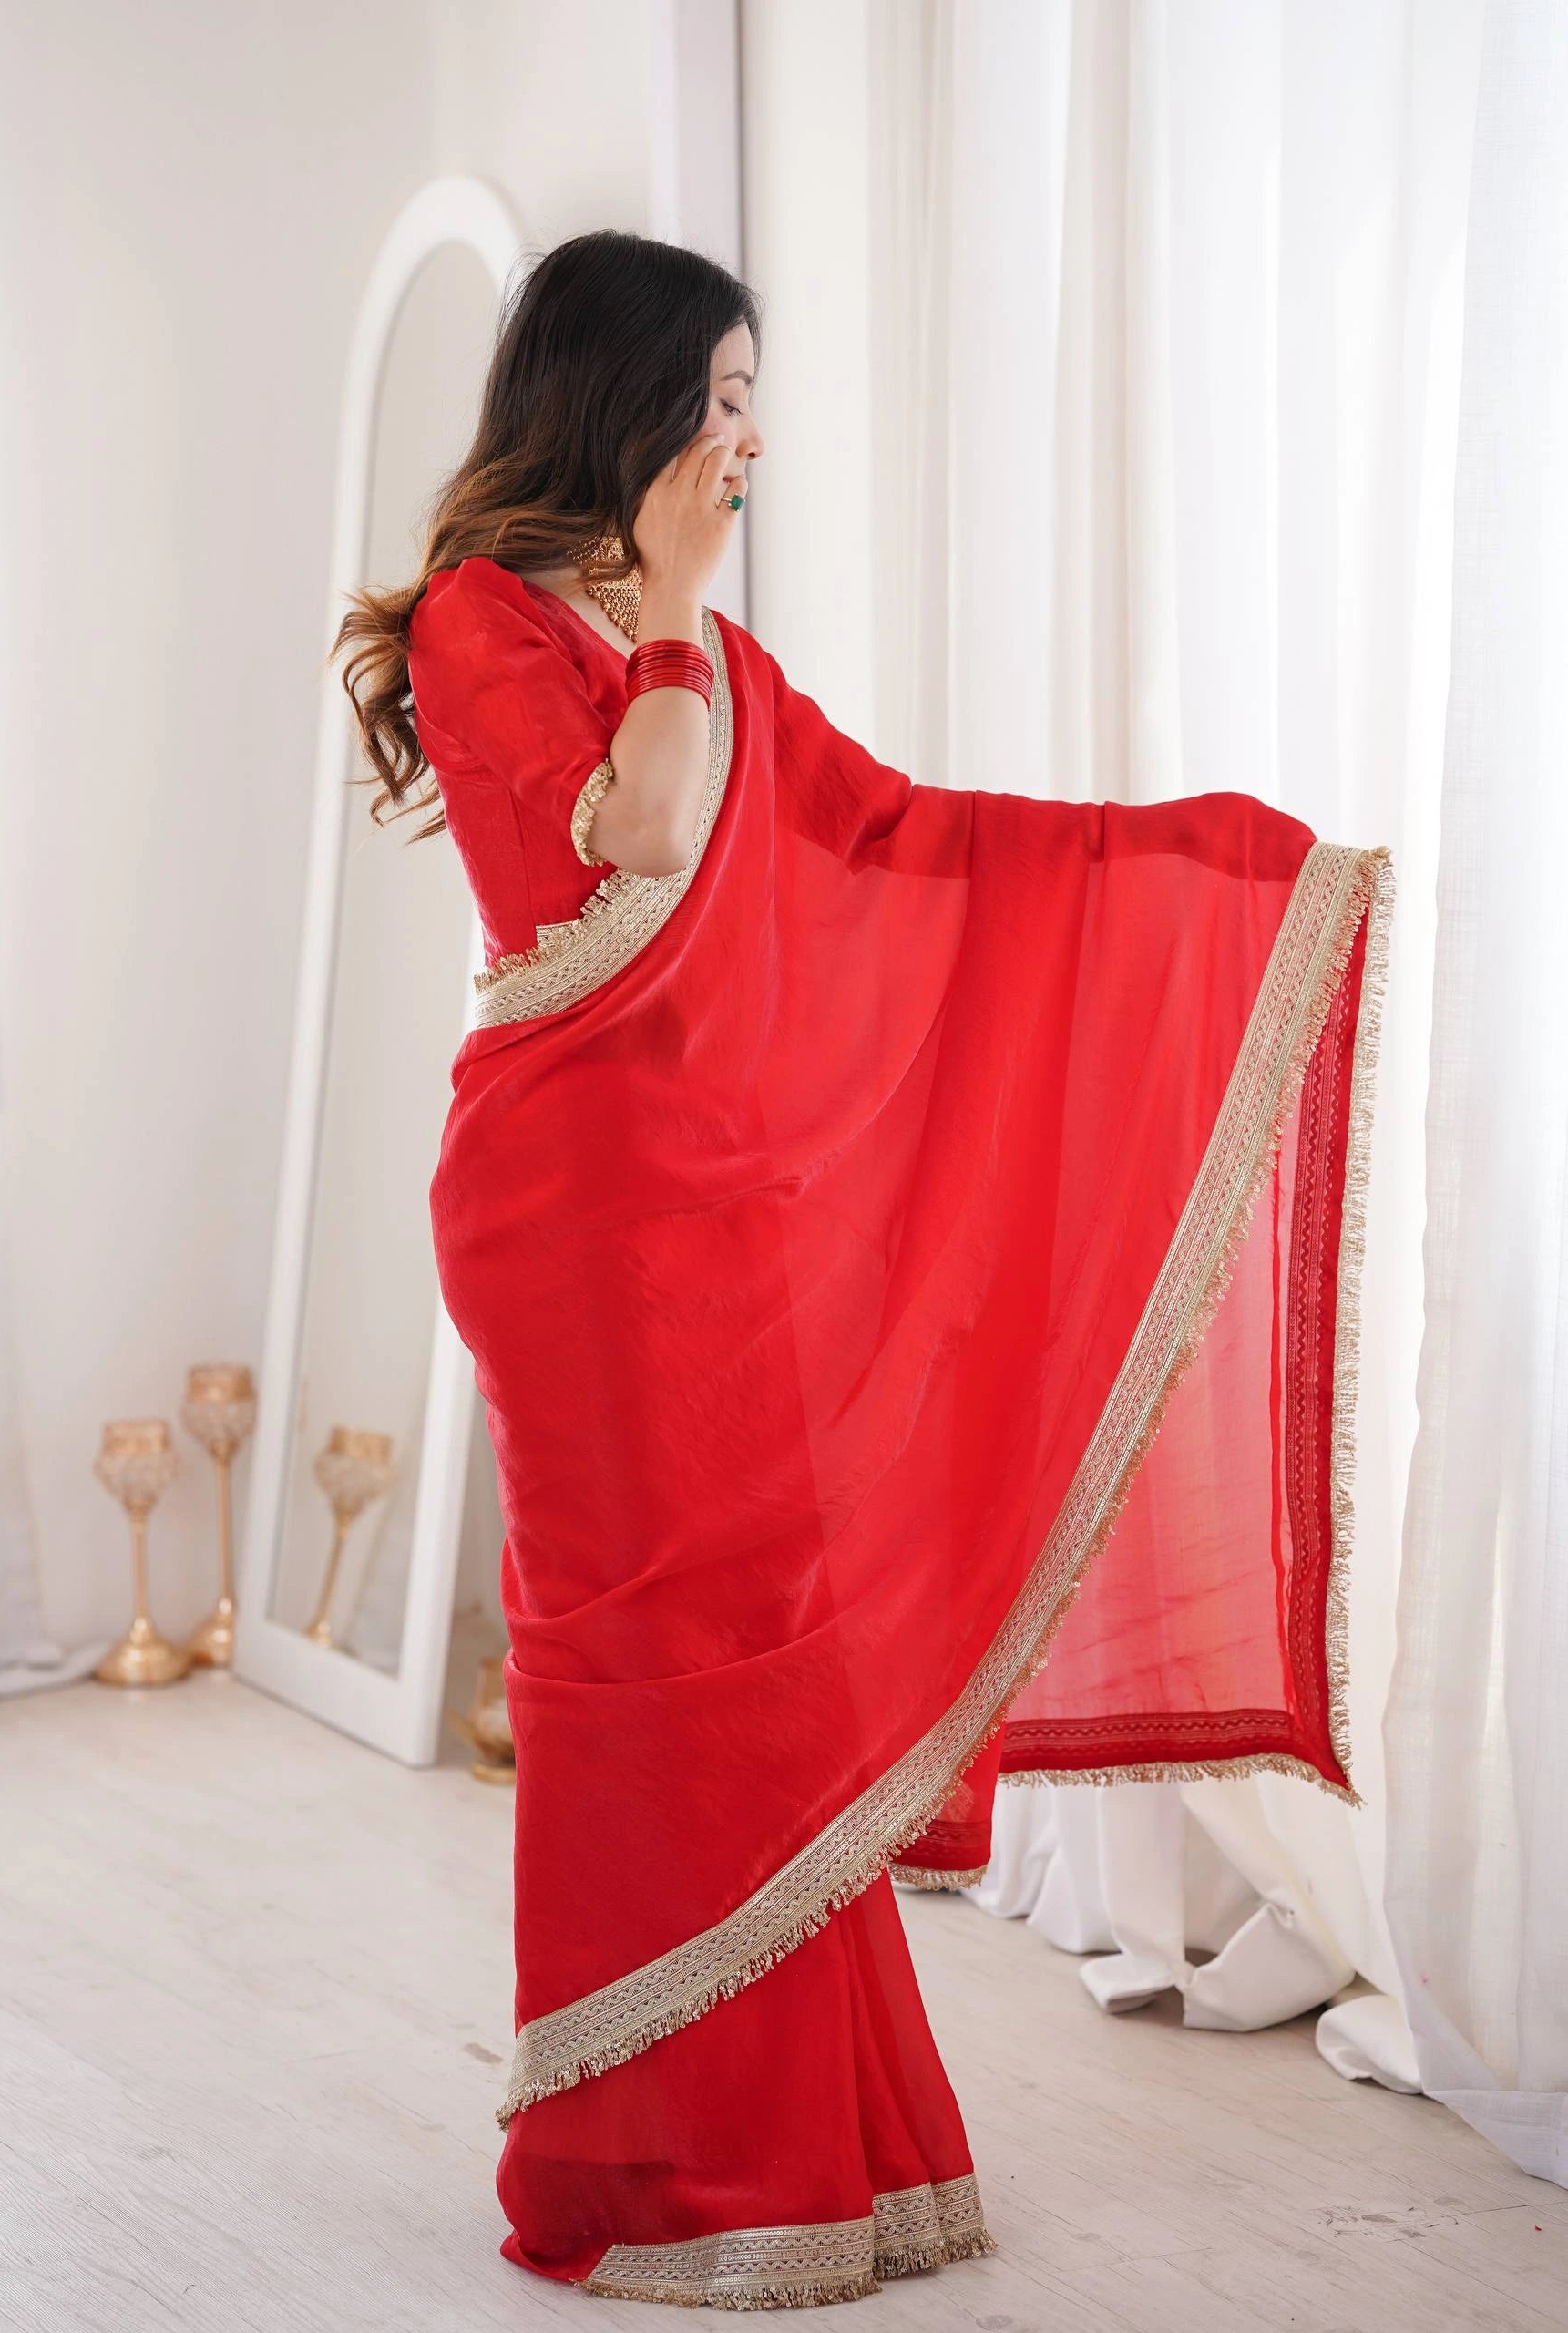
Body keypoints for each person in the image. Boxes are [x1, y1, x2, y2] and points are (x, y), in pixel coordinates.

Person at [335, 229, 1391, 2312]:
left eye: (751, 407)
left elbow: (901, 840)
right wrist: (665, 597)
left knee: (778, 1647)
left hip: (717, 1213)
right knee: (650, 1672)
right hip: (573, 1222)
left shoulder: (698, 655)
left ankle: (821, 2149)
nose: (743, 445)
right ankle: (645, 2163)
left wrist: (1195, 871)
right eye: (716, 401)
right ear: (619, 397)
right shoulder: (495, 622)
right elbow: (626, 840)